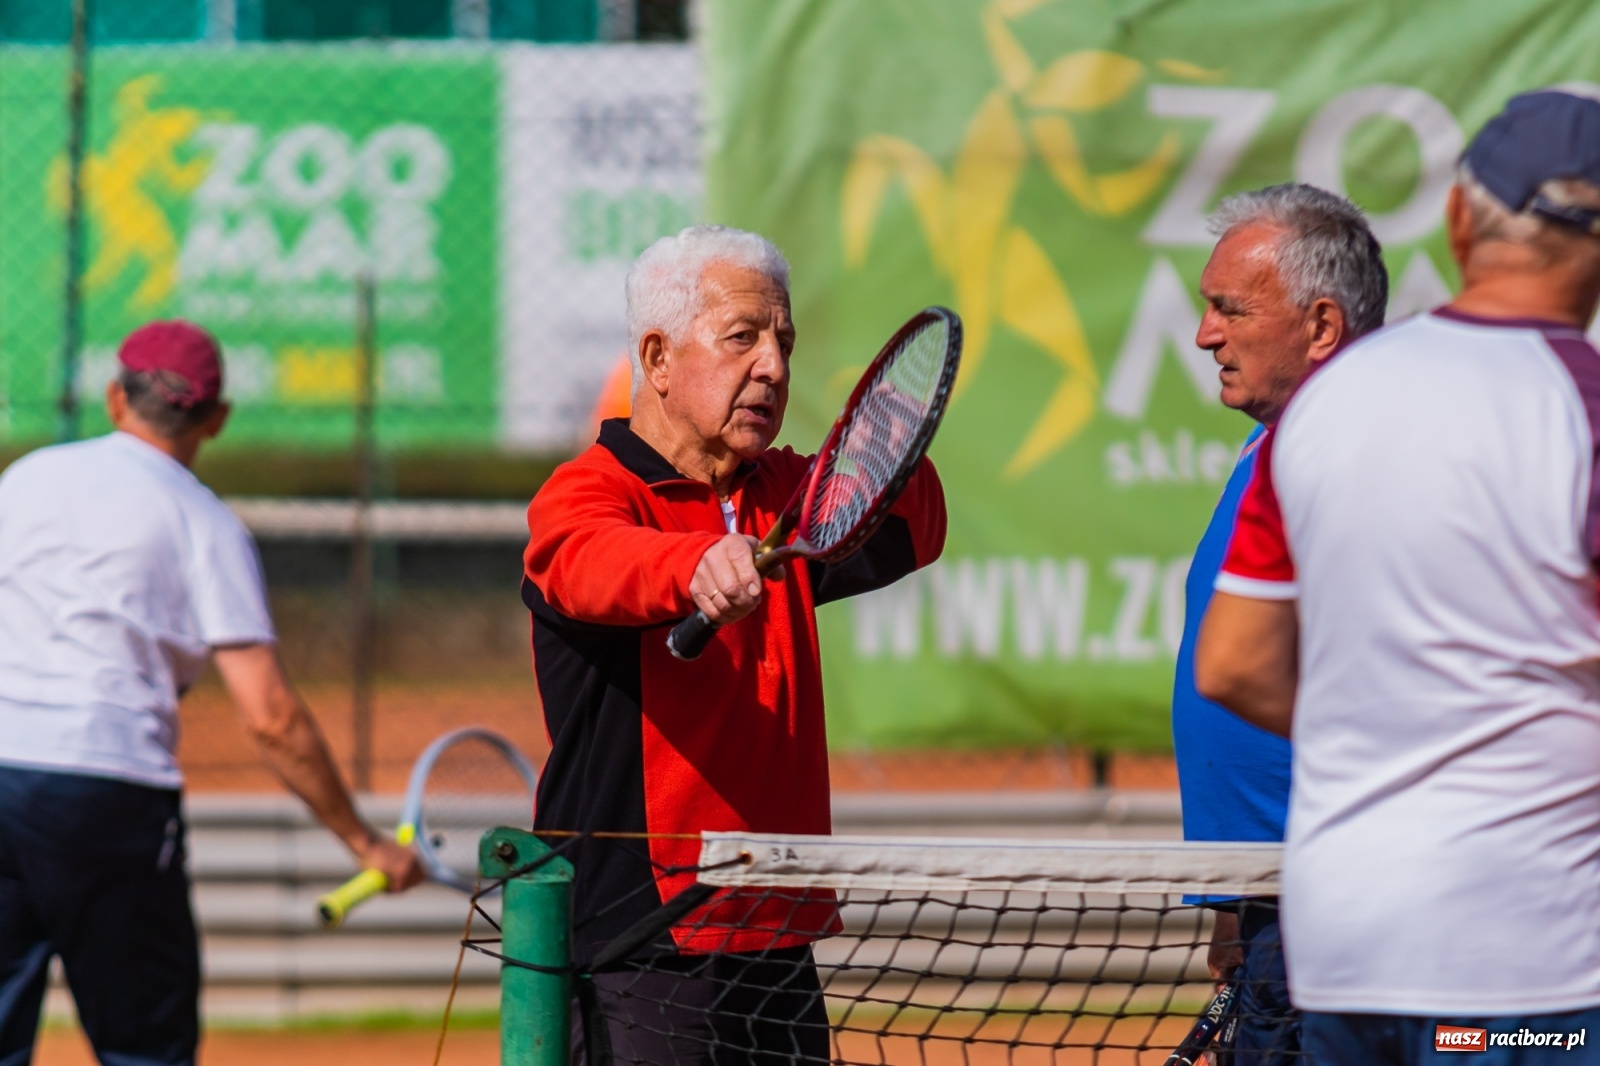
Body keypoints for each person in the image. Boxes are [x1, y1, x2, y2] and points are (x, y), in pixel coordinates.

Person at [1196, 89, 1600, 1064]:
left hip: (1348, 946)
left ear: (1458, 220)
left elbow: (1233, 664)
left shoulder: (1323, 410)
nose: (1207, 333)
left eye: (1225, 309)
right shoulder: (1581, 407)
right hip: (1526, 961)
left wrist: (1387, 737)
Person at [522, 224, 946, 1064]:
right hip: (639, 940)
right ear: (658, 358)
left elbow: (915, 527)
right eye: (743, 337)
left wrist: (889, 435)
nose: (774, 368)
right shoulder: (589, 490)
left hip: (776, 927)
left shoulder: (786, 494)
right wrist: (693, 565)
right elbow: (583, 562)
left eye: (784, 342)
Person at [0, 321, 423, 1066]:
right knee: (147, 1048)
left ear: (115, 397)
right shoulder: (204, 522)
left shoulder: (26, 478)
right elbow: (271, 718)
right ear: (216, 419)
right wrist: (365, 844)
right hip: (109, 786)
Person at [1172, 183, 1387, 1063]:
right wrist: (1233, 901)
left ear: (1322, 325)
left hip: (1339, 904)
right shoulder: (1275, 444)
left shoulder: (1364, 454)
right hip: (1273, 898)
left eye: (1230, 309)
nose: (1205, 335)